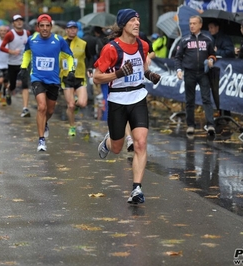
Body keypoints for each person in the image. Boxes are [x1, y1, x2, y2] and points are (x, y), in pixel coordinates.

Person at [94, 9, 161, 204]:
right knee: (117, 148)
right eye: (132, 20)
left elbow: (143, 68)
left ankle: (136, 189)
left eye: (138, 19)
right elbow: (97, 76)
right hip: (118, 100)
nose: (137, 23)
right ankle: (109, 141)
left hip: (138, 97)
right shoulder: (111, 49)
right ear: (123, 25)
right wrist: (118, 74)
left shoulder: (143, 45)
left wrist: (150, 76)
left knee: (140, 143)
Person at [20, 14, 74, 151]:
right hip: (37, 78)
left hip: (54, 80)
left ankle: (45, 123)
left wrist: (71, 70)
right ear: (38, 27)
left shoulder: (58, 40)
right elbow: (27, 53)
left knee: (49, 110)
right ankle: (41, 140)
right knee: (42, 107)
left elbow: (69, 56)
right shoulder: (32, 39)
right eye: (42, 26)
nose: (44, 28)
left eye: (47, 26)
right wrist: (23, 66)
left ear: (51, 27)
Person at [175, 15, 216, 136]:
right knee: (189, 100)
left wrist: (211, 61)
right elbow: (178, 57)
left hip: (203, 73)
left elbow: (212, 54)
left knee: (206, 99)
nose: (192, 26)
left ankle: (210, 125)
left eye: (194, 23)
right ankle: (191, 125)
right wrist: (178, 69)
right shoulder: (184, 40)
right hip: (189, 73)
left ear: (200, 25)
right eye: (190, 23)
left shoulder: (207, 39)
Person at [61, 21, 89, 136]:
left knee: (82, 103)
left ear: (77, 30)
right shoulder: (60, 42)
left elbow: (89, 58)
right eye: (70, 28)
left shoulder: (83, 43)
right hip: (66, 76)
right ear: (66, 30)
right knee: (70, 105)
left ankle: (76, 106)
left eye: (75, 28)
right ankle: (72, 126)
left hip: (79, 76)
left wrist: (90, 68)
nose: (72, 30)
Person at [0, 14, 31, 117]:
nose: (19, 22)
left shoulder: (27, 33)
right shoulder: (10, 34)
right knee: (12, 86)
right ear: (13, 23)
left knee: (25, 85)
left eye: (21, 20)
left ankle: (25, 108)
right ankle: (8, 92)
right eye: (17, 21)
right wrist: (12, 51)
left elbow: (31, 46)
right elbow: (2, 47)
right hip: (12, 64)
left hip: (24, 64)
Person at [207, 20, 235, 119]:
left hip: (224, 70)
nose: (209, 30)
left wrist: (216, 51)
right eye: (209, 27)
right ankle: (221, 113)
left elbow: (230, 52)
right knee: (216, 92)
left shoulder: (224, 38)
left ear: (217, 27)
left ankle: (226, 115)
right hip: (215, 70)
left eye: (212, 27)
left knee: (222, 92)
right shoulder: (211, 38)